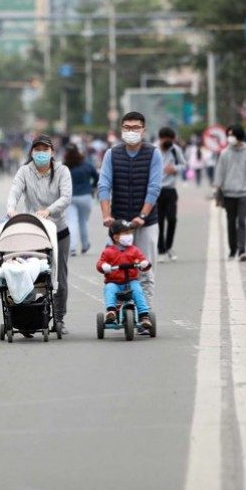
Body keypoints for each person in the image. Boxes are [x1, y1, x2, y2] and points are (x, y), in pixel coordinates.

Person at [7, 134, 73, 333]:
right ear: (32, 152)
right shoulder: (25, 171)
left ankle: (59, 317)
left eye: (45, 150)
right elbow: (15, 191)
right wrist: (11, 208)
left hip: (58, 229)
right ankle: (28, 316)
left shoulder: (62, 171)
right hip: (34, 233)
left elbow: (66, 196)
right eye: (37, 150)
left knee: (60, 275)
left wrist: (49, 210)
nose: (41, 153)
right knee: (31, 273)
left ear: (52, 152)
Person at [98, 111, 163, 308]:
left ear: (143, 130)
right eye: (127, 128)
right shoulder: (112, 154)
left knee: (144, 269)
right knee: (115, 268)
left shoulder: (153, 154)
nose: (131, 131)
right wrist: (106, 215)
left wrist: (142, 215)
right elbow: (104, 185)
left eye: (135, 128)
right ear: (121, 130)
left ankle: (145, 313)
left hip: (146, 222)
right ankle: (118, 307)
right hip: (118, 224)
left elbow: (154, 188)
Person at [213, 124, 246, 262]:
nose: (229, 138)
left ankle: (242, 250)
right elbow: (219, 174)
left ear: (239, 137)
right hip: (228, 194)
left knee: (242, 221)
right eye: (228, 135)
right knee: (230, 222)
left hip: (244, 193)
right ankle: (232, 250)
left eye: (231, 135)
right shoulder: (224, 153)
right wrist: (217, 193)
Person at [96, 220, 152, 330]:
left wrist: (144, 264)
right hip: (114, 282)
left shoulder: (134, 250)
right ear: (116, 237)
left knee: (138, 290)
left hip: (131, 281)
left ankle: (144, 315)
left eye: (130, 233)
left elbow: (143, 261)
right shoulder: (108, 251)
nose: (129, 236)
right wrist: (104, 266)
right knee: (109, 289)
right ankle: (111, 311)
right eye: (126, 233)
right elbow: (100, 263)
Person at [63, 143, 99, 257]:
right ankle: (85, 245)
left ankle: (72, 248)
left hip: (70, 198)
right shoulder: (87, 164)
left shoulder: (65, 167)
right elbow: (97, 177)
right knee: (83, 222)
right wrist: (92, 188)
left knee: (72, 222)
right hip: (85, 197)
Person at [156, 127, 186, 262]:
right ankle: (161, 250)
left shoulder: (175, 149)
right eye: (167, 139)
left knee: (172, 219)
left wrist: (174, 168)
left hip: (170, 189)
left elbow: (184, 165)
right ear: (161, 138)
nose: (169, 142)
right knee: (159, 221)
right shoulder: (153, 150)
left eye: (171, 140)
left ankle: (169, 247)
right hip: (155, 191)